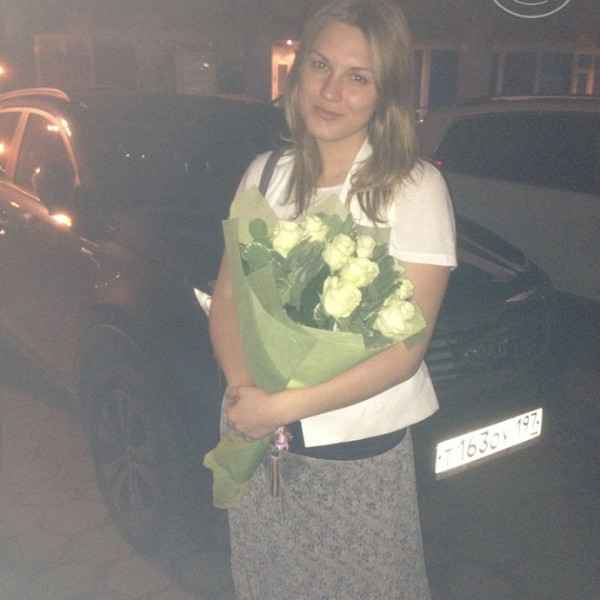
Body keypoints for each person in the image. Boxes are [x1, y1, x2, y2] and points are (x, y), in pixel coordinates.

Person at [209, 0, 457, 597]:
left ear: (384, 93)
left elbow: (405, 351)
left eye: (358, 76)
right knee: (267, 580)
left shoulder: (414, 188)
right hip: (255, 429)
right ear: (298, 69)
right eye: (320, 65)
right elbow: (228, 294)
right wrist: (245, 391)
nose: (330, 91)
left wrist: (282, 407)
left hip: (354, 449)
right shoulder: (264, 174)